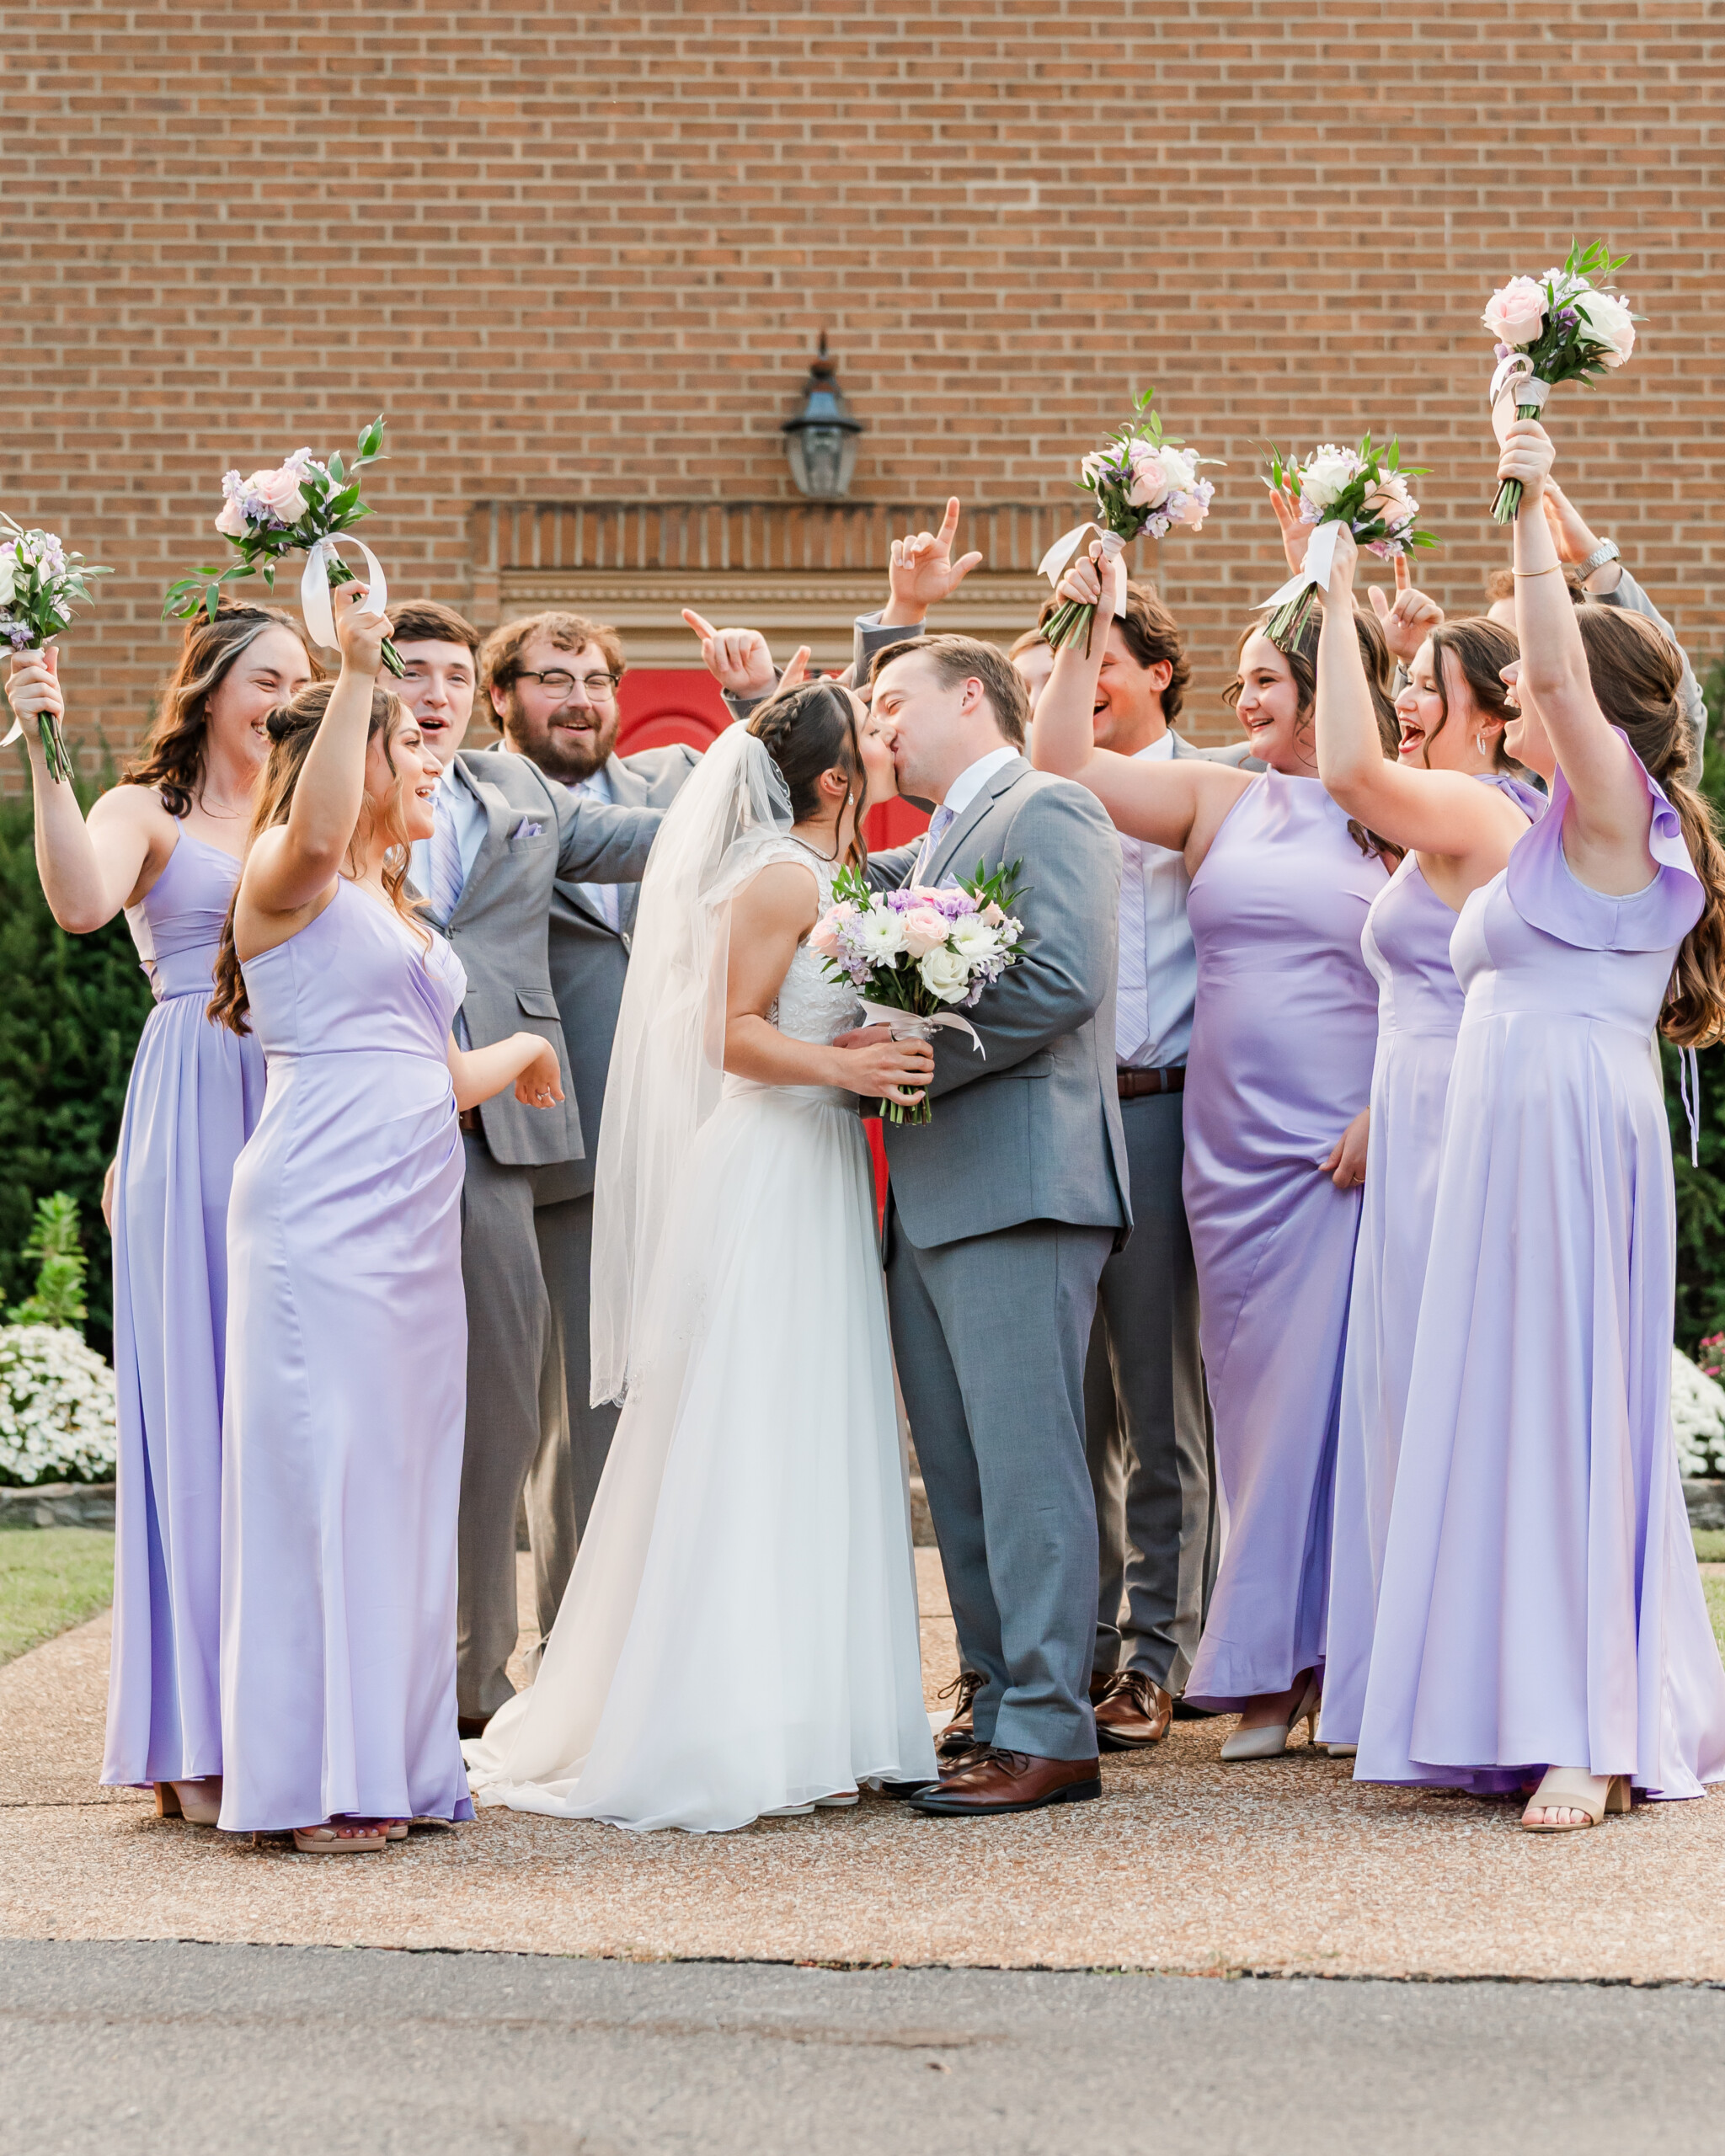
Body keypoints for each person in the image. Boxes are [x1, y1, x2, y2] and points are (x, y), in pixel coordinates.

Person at [463, 682, 939, 1831]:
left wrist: (866, 1042)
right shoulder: (779, 874)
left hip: (814, 1165)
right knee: (754, 1426)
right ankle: (732, 1715)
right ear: (836, 783)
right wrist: (849, 1071)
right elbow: (725, 1035)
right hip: (770, 1167)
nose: (887, 748)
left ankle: (825, 1713)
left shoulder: (827, 874)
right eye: (872, 741)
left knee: (814, 1427)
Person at [1356, 416, 1725, 1830]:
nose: (1510, 694)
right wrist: (1556, 529)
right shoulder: (1553, 828)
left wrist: (1518, 498)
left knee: (1570, 1407)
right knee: (1501, 1407)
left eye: (1531, 685)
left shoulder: (1612, 821)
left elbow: (1564, 664)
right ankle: (1502, 1704)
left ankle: (1592, 1729)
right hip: (1504, 1141)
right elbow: (1580, 659)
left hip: (1572, 1132)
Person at [210, 584, 565, 1850]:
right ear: (343, 763)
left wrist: (515, 1046)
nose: (429, 756)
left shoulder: (389, 900)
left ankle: (400, 1762)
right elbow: (310, 827)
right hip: (321, 1216)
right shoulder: (289, 875)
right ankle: (320, 1780)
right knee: (333, 1477)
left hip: (410, 1226)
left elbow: (411, 1064)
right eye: (402, 745)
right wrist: (355, 665)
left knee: (405, 1483)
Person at [1033, 543, 1393, 1763]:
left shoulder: (1391, 808)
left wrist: (1391, 1106)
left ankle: (1337, 1665)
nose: (1246, 706)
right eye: (1238, 684)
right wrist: (1087, 611)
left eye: (1269, 683)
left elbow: (1455, 969)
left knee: (1337, 1403)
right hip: (1223, 1148)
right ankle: (1266, 1668)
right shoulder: (1221, 798)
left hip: (1340, 1142)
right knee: (1245, 1411)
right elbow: (1062, 764)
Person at [7, 603, 317, 1826]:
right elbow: (80, 903)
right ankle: (188, 1734)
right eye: (268, 678)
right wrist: (40, 741)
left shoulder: (303, 816)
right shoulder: (149, 811)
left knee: (279, 1422)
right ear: (209, 690)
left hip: (300, 1100)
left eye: (303, 679)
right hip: (195, 1100)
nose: (287, 698)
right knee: (195, 1421)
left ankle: (280, 1721)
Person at [849, 634, 1129, 1817]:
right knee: (961, 1476)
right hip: (932, 1192)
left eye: (892, 700)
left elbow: (1062, 977)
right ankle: (999, 1697)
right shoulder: (939, 835)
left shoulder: (1047, 807)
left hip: (1021, 1176)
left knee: (1025, 1466)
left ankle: (1053, 1731)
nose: (880, 726)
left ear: (972, 696)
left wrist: (909, 1063)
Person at [382, 600, 666, 1733]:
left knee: (505, 1407)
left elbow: (652, 842)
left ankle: (474, 1681)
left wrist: (779, 766)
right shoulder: (330, 793)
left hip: (497, 1128)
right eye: (414, 675)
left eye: (452, 673)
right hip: (364, 1120)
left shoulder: (519, 797)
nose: (436, 694)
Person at [1308, 560, 1540, 1755]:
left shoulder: (1480, 809)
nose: (1408, 698)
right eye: (1405, 681)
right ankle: (1407, 1680)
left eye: (1431, 686)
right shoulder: (1442, 808)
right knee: (1403, 1398)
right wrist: (1381, 637)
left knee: (1444, 1391)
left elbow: (1347, 766)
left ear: (1496, 709)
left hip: (1456, 1123)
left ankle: (1462, 1688)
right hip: (1408, 1116)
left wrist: (1327, 584)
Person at [478, 610, 699, 1641]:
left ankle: (683, 1637)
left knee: (697, 1391)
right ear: (501, 698)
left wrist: (755, 706)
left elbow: (809, 799)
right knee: (581, 1412)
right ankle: (579, 1648)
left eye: (598, 678)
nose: (579, 696)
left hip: (700, 1135)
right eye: (550, 676)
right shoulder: (474, 797)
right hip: (564, 1140)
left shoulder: (680, 778)